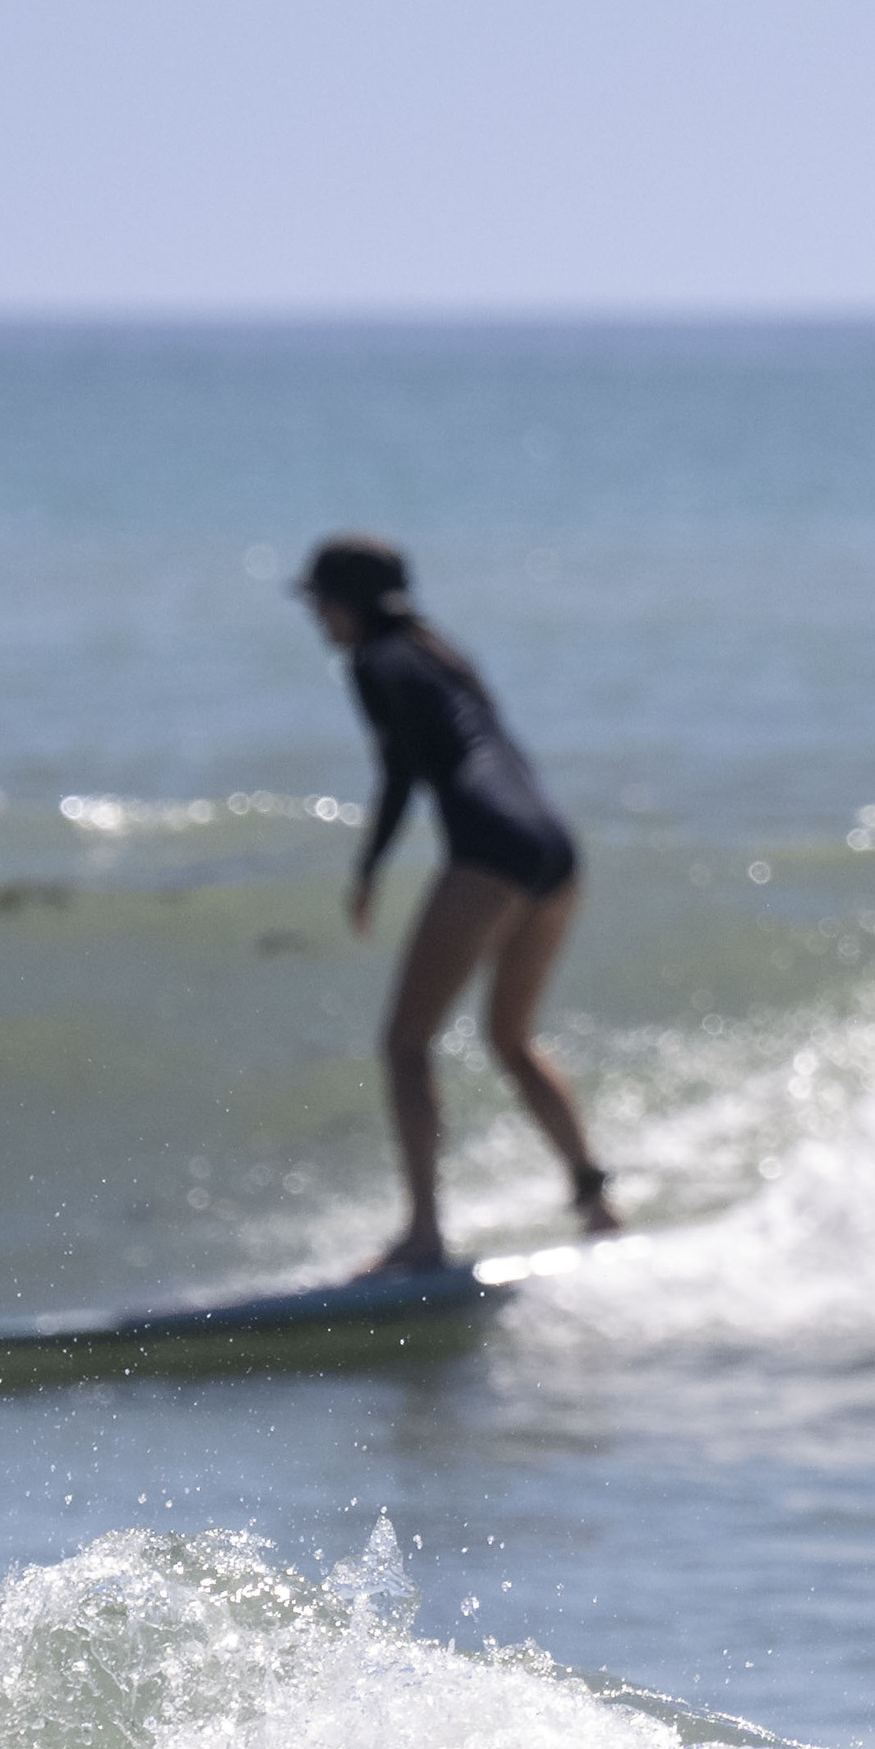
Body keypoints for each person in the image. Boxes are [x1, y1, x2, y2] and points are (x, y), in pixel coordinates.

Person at [296, 534, 621, 1274]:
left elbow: (399, 774)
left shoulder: (375, 663)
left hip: (492, 850)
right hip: (554, 847)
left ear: (344, 603)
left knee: (406, 1045)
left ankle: (423, 1236)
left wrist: (369, 868)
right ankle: (597, 1204)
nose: (316, 616)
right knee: (510, 1038)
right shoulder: (443, 654)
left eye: (318, 601)